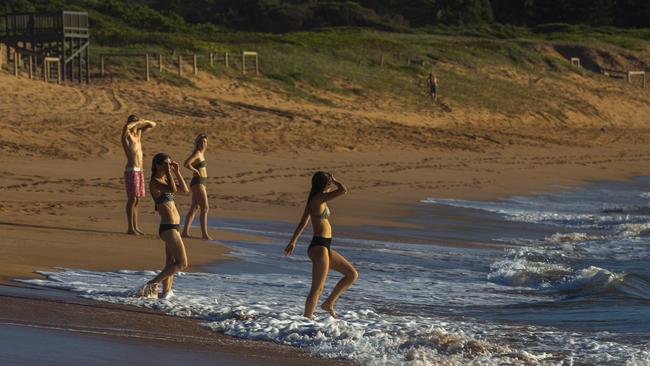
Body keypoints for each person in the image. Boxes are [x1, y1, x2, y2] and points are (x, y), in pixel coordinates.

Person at [284, 172, 358, 319]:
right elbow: (343, 190)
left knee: (351, 274)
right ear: (325, 185)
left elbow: (303, 223)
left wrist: (293, 241)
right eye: (329, 184)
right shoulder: (318, 199)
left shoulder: (315, 199)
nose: (330, 186)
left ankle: (328, 304)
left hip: (324, 245)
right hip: (319, 246)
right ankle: (306, 320)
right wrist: (336, 180)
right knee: (317, 288)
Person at [136, 153, 190, 298]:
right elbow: (172, 189)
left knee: (170, 264)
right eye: (165, 164)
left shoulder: (166, 179)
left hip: (175, 227)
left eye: (169, 164)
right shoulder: (155, 182)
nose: (168, 166)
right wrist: (168, 172)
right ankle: (151, 285)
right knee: (182, 263)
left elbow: (185, 190)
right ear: (157, 165)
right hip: (168, 228)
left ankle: (166, 293)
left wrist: (176, 172)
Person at [121, 114, 157, 235]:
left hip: (139, 170)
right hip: (131, 170)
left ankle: (135, 226)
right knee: (132, 199)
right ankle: (130, 227)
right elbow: (126, 127)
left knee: (137, 200)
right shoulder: (127, 137)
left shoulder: (138, 134)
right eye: (134, 123)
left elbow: (153, 124)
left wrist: (143, 120)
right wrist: (135, 123)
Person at [181, 133, 212, 240]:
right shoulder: (197, 153)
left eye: (205, 142)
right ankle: (204, 234)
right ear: (197, 143)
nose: (203, 143)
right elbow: (186, 164)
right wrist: (195, 170)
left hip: (201, 182)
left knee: (195, 208)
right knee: (205, 208)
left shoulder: (201, 154)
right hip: (197, 182)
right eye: (201, 141)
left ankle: (185, 232)